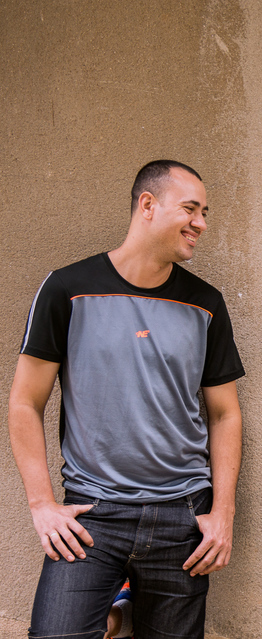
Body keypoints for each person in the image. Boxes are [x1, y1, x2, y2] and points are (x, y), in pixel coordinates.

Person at [8, 160, 245, 639]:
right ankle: (119, 605)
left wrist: (223, 513)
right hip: (92, 516)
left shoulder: (206, 304)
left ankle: (123, 609)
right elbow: (23, 403)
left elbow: (225, 413)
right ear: (148, 205)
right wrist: (41, 505)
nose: (202, 223)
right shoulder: (67, 289)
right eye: (191, 209)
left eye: (205, 212)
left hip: (183, 518)